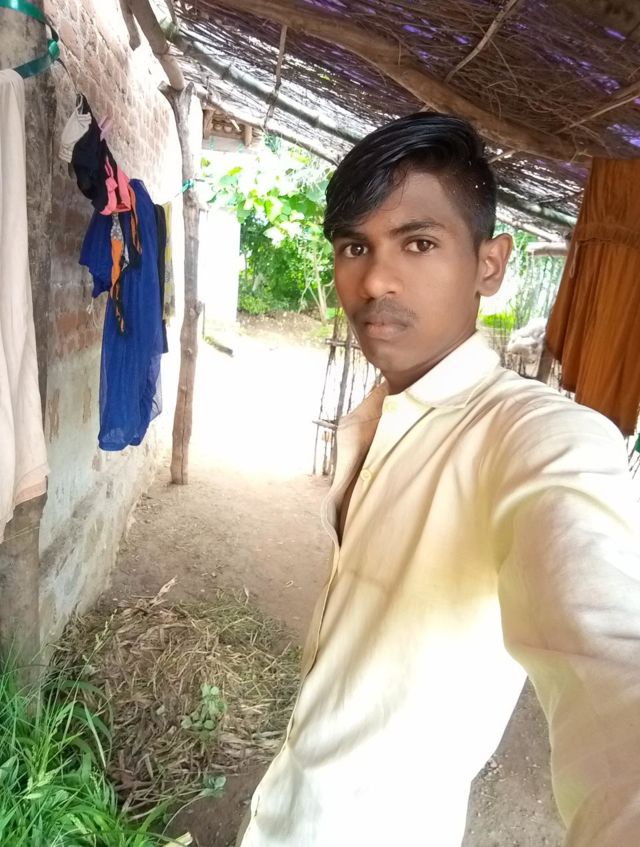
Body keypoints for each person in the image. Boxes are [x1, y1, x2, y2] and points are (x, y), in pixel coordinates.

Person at [237, 113, 640, 846]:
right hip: (283, 813)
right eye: (354, 246)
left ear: (490, 264)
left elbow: (610, 648)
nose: (374, 279)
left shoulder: (536, 437)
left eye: (419, 243)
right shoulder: (378, 414)